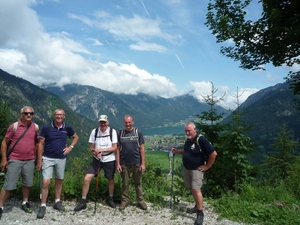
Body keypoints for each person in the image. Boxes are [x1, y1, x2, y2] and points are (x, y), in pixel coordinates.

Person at [172, 122, 217, 225]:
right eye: (186, 131)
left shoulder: (201, 139)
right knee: (192, 188)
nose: (187, 133)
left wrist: (207, 166)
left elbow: (213, 154)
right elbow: (187, 151)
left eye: (189, 130)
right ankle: (197, 206)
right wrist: (177, 151)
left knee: (196, 189)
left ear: (195, 130)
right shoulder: (189, 140)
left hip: (197, 170)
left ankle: (200, 214)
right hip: (187, 169)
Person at [36, 109, 79, 219]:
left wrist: (70, 147)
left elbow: (76, 137)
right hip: (47, 158)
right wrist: (39, 160)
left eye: (61, 115)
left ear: (64, 116)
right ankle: (43, 205)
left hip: (61, 158)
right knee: (46, 182)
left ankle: (57, 201)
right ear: (54, 115)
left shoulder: (67, 128)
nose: (59, 116)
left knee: (59, 180)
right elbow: (40, 144)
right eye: (57, 114)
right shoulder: (47, 127)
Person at [0, 106, 39, 219]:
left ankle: (25, 202)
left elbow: (36, 143)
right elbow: (4, 142)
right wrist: (4, 159)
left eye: (31, 113)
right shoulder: (14, 127)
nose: (29, 115)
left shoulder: (35, 127)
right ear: (21, 114)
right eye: (26, 113)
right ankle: (1, 206)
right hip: (15, 159)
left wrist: (36, 158)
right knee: (9, 184)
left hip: (30, 160)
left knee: (27, 183)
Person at [74, 115, 117, 211]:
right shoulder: (95, 131)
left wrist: (103, 149)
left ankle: (110, 198)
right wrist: (95, 152)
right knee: (87, 178)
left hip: (109, 159)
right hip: (97, 159)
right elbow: (91, 147)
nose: (103, 124)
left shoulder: (112, 132)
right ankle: (83, 201)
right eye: (101, 122)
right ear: (99, 122)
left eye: (104, 122)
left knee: (110, 179)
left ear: (108, 122)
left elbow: (115, 147)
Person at [116, 114, 147, 211]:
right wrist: (118, 164)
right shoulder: (120, 133)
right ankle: (124, 201)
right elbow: (117, 149)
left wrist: (143, 163)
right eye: (126, 122)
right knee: (125, 183)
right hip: (124, 162)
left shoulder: (138, 132)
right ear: (123, 123)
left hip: (136, 162)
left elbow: (142, 148)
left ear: (132, 122)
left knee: (138, 183)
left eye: (129, 122)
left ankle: (141, 201)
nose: (128, 124)